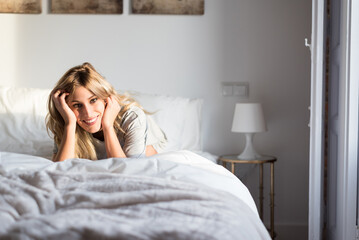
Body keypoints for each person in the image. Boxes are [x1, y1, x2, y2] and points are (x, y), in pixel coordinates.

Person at [46, 62, 167, 162]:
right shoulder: (67, 119)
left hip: (148, 136)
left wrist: (108, 126)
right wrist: (70, 124)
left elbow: (127, 171)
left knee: (145, 156)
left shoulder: (132, 117)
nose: (88, 113)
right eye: (77, 105)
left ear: (105, 99)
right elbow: (59, 169)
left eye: (93, 100)